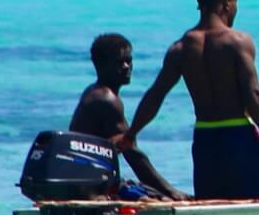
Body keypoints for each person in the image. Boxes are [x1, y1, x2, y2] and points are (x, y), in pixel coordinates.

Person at [111, 0, 259, 200]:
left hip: (205, 140)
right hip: (239, 138)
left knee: (211, 209)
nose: (235, 9)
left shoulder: (181, 48)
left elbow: (156, 94)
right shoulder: (237, 42)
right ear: (226, 2)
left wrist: (132, 133)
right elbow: (253, 93)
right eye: (235, 3)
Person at [71, 31, 186, 200]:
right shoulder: (106, 99)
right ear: (100, 65)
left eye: (129, 61)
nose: (126, 67)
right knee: (163, 199)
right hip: (91, 187)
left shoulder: (94, 92)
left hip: (88, 182)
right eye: (119, 62)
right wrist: (171, 192)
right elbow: (132, 154)